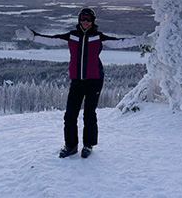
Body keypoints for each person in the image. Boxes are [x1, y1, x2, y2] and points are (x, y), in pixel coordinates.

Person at [16, 8, 150, 158]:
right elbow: (52, 40)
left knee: (89, 114)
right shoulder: (72, 36)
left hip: (95, 80)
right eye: (83, 19)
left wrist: (138, 41)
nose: (85, 22)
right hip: (77, 81)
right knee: (70, 115)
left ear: (93, 21)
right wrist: (33, 37)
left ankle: (88, 145)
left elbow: (118, 43)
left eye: (88, 19)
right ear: (79, 20)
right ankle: (71, 146)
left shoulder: (97, 37)